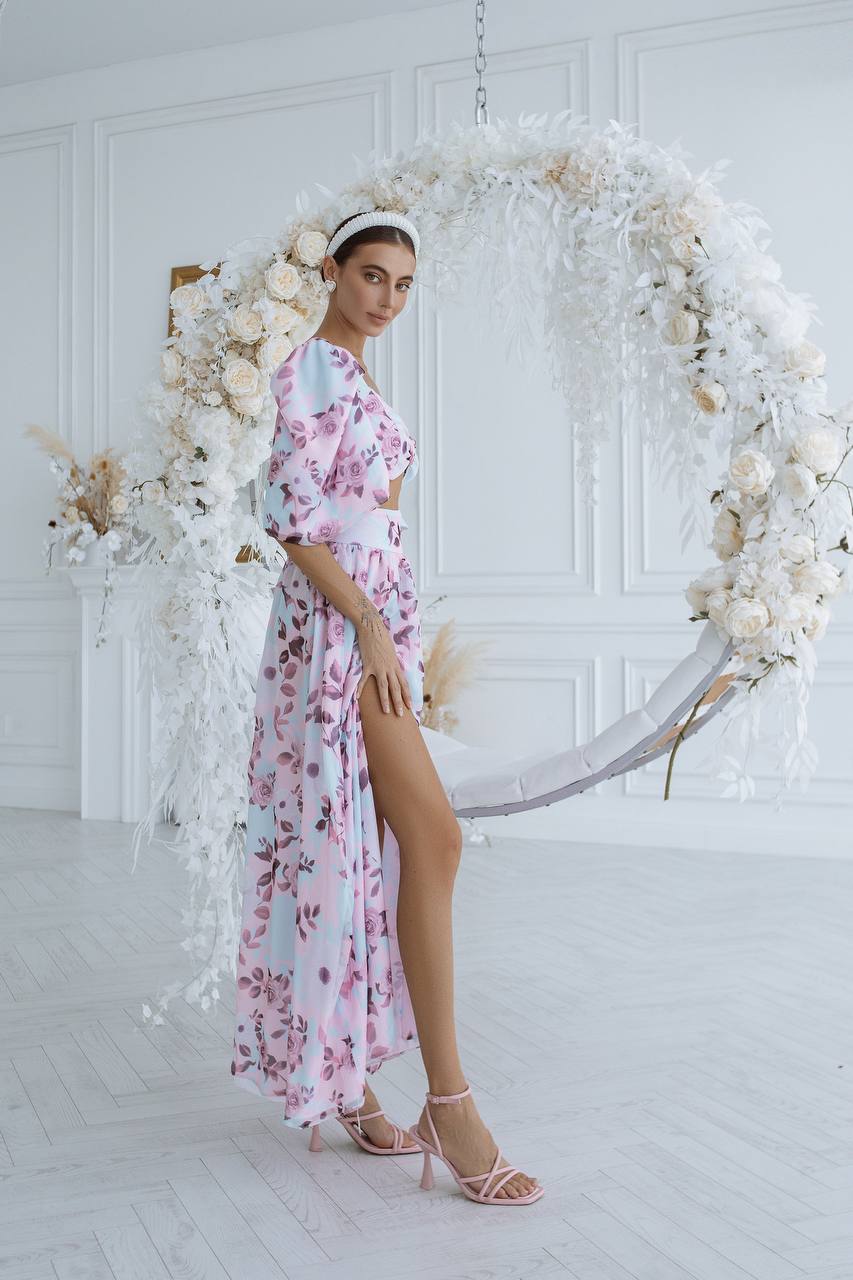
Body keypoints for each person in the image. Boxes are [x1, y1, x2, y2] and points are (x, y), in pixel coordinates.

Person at [231, 209, 542, 1205]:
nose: (387, 298)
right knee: (433, 838)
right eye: (371, 275)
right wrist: (365, 622)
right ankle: (450, 1105)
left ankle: (354, 1082)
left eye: (403, 284)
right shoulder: (307, 368)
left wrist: (391, 618)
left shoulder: (354, 373)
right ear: (330, 271)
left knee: (363, 849)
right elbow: (288, 518)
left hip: (374, 619)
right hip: (337, 630)